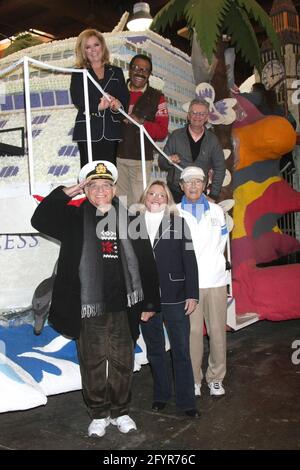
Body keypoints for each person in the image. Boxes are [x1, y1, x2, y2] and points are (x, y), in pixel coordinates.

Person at [31, 160, 160, 438]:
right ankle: (99, 414)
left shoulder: (131, 218)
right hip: (88, 308)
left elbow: (147, 262)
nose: (100, 190)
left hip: (125, 306)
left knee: (123, 362)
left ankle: (121, 411)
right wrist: (69, 190)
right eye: (92, 185)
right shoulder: (73, 219)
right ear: (86, 190)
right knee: (91, 363)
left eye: (105, 185)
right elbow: (39, 219)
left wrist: (149, 303)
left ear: (114, 189)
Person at [137, 180, 200, 417]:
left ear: (168, 200)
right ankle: (161, 395)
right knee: (155, 350)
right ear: (145, 197)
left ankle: (187, 402)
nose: (156, 198)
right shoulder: (134, 223)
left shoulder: (179, 223)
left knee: (181, 350)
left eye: (161, 195)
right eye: (151, 193)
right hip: (146, 299)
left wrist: (192, 293)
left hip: (175, 296)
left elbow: (190, 260)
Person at [177, 166, 229, 397]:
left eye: (198, 181)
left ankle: (216, 378)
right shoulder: (174, 212)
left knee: (218, 331)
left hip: (216, 280)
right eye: (189, 182)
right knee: (193, 333)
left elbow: (223, 242)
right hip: (189, 285)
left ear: (205, 185)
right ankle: (194, 379)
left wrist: (217, 266)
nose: (194, 185)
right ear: (181, 186)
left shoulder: (217, 211)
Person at [70, 29, 129, 168]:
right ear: (83, 51)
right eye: (87, 47)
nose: (93, 50)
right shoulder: (78, 73)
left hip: (111, 130)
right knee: (88, 173)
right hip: (87, 129)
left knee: (109, 172)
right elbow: (78, 99)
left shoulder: (117, 71)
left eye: (96, 45)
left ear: (102, 46)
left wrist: (117, 105)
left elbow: (124, 99)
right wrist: (98, 107)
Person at [116, 54, 169, 207]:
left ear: (149, 74)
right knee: (120, 205)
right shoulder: (116, 92)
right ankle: (122, 231)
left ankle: (139, 231)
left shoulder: (157, 97)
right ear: (130, 70)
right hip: (117, 158)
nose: (140, 73)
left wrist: (141, 122)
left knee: (139, 206)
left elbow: (162, 131)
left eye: (145, 70)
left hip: (141, 160)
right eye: (136, 68)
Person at [158, 98, 225, 203]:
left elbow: (220, 168)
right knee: (175, 219)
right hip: (175, 191)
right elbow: (161, 162)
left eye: (202, 114)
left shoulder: (213, 140)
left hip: (199, 193)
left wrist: (213, 195)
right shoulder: (176, 136)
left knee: (196, 219)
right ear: (188, 115)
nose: (197, 116)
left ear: (207, 117)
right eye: (194, 113)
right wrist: (168, 161)